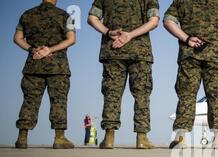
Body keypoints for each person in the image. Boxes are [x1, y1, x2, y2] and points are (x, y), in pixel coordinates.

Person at [164, 0, 218, 149]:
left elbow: (168, 21)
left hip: (189, 55)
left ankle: (180, 138)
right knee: (216, 96)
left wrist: (186, 38)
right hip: (215, 57)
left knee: (186, 95)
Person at [88, 0, 160, 149]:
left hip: (113, 50)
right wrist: (130, 35)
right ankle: (142, 138)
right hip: (139, 51)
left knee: (112, 94)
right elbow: (153, 21)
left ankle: (109, 138)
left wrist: (108, 32)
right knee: (142, 94)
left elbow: (92, 18)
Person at [14, 0, 76, 149]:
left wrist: (32, 49)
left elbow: (17, 38)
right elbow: (71, 39)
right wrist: (50, 50)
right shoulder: (64, 15)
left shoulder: (27, 14)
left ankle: (22, 138)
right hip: (57, 67)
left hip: (33, 65)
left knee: (29, 101)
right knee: (58, 102)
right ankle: (59, 138)